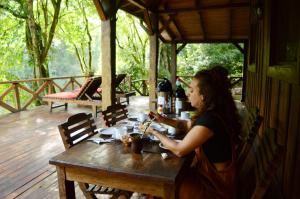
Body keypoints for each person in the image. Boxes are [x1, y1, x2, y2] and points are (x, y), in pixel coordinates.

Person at [143, 65, 241, 199]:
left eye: (192, 90)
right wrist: (162, 120)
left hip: (215, 189)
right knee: (160, 183)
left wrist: (153, 131)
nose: (188, 93)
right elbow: (185, 125)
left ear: (203, 96)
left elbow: (179, 150)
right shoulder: (214, 114)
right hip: (210, 178)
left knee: (159, 184)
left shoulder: (210, 121)